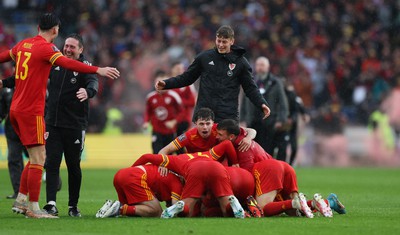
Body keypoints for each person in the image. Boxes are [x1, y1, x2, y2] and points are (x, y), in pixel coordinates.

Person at [0, 12, 119, 219]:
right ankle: (34, 208)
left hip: (15, 111)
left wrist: (3, 82)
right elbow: (69, 64)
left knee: (34, 155)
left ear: (38, 27)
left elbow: (3, 57)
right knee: (39, 158)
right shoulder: (48, 49)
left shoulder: (23, 45)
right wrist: (98, 69)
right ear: (55, 30)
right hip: (32, 111)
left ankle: (21, 200)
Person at [215, 119, 346, 217]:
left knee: (261, 209)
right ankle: (329, 202)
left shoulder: (242, 148)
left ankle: (295, 202)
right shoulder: (242, 135)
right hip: (283, 167)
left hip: (270, 171)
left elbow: (248, 179)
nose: (217, 137)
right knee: (294, 212)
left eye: (220, 135)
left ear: (231, 136)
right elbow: (249, 130)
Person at [155, 25, 270, 123]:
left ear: (232, 41)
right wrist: (166, 84)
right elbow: (187, 78)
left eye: (224, 42)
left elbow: (250, 88)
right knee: (204, 148)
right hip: (204, 113)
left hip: (227, 114)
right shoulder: (204, 57)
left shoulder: (241, 62)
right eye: (218, 41)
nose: (220, 45)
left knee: (225, 148)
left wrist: (261, 103)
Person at [42, 33, 99, 217]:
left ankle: (73, 206)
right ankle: (50, 204)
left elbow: (93, 81)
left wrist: (88, 91)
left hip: (74, 125)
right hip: (53, 123)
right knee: (51, 163)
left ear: (80, 50)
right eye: (66, 45)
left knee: (73, 165)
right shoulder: (56, 62)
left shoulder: (85, 66)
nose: (67, 49)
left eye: (72, 47)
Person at [132, 140, 246, 218]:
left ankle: (180, 206)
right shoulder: (208, 153)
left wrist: (132, 169)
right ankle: (233, 205)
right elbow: (227, 143)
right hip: (217, 167)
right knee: (226, 208)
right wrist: (235, 163)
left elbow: (146, 157)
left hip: (194, 171)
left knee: (188, 211)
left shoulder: (177, 159)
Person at [240, 56, 289, 161]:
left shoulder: (276, 82)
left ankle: (267, 172)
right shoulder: (250, 81)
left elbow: (282, 102)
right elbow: (244, 102)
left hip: (269, 122)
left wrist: (281, 119)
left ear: (268, 67)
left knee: (267, 151)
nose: (260, 67)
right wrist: (242, 119)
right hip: (252, 122)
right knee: (251, 151)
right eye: (258, 65)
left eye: (262, 65)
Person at [95, 164, 183, 218]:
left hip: (122, 174)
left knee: (137, 212)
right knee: (156, 211)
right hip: (135, 177)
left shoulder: (167, 170)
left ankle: (111, 206)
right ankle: (119, 208)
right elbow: (174, 208)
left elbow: (146, 157)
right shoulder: (178, 183)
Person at [158, 107, 255, 156]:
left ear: (213, 123)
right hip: (195, 168)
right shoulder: (188, 136)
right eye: (201, 124)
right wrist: (163, 163)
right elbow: (163, 151)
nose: (205, 127)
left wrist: (248, 138)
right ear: (195, 123)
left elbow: (252, 131)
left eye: (208, 123)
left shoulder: (220, 129)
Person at [143, 70, 183, 153]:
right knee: (157, 154)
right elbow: (148, 112)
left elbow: (182, 112)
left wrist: (174, 122)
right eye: (158, 83)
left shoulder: (173, 96)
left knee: (169, 156)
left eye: (162, 83)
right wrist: (146, 122)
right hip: (156, 131)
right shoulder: (150, 97)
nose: (160, 86)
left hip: (170, 132)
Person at [0, 86, 26, 199]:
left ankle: (53, 178)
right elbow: (1, 111)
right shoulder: (7, 91)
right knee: (13, 159)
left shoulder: (29, 86)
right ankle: (19, 192)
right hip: (12, 131)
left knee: (37, 157)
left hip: (28, 129)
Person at [282, 77, 310, 165]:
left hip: (292, 125)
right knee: (282, 146)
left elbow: (298, 106)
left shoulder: (294, 96)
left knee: (293, 147)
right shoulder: (281, 96)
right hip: (282, 124)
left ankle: (289, 164)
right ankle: (281, 165)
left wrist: (304, 114)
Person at [170, 61, 196, 137]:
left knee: (180, 143)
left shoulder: (189, 84)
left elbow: (192, 102)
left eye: (181, 69)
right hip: (170, 120)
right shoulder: (168, 83)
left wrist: (179, 102)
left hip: (184, 120)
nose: (180, 70)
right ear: (172, 69)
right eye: (177, 68)